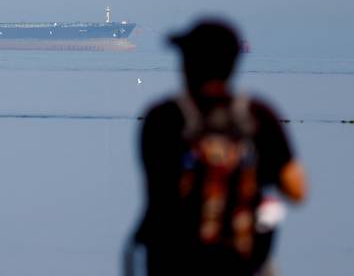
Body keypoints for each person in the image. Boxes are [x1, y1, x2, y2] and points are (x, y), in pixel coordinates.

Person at [126, 19, 307, 276]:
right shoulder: (259, 116)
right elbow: (297, 191)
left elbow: (157, 192)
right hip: (242, 261)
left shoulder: (163, 117)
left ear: (187, 64)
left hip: (175, 261)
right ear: (234, 64)